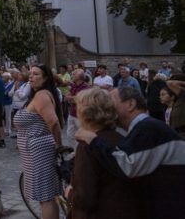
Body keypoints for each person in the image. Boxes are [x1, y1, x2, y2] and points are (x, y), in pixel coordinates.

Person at [76, 86, 185, 218]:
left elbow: (127, 167)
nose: (108, 106)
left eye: (111, 100)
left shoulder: (148, 128)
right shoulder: (140, 129)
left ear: (131, 104)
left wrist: (92, 139)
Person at [67, 87, 142, 219]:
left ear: (83, 113)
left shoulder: (88, 145)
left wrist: (69, 193)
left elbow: (85, 198)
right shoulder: (122, 138)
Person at [14, 65, 63, 219]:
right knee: (46, 195)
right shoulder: (38, 95)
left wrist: (59, 146)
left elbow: (54, 122)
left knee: (45, 196)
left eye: (36, 74)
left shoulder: (42, 96)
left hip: (39, 151)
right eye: (30, 74)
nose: (31, 76)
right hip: (34, 151)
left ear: (46, 78)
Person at [64, 68, 90, 148]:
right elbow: (67, 96)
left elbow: (79, 99)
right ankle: (76, 150)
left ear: (80, 77)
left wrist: (72, 98)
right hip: (72, 113)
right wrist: (73, 98)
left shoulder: (85, 87)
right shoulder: (74, 85)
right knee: (70, 134)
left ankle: (84, 150)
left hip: (80, 115)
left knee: (82, 134)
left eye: (75, 74)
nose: (72, 75)